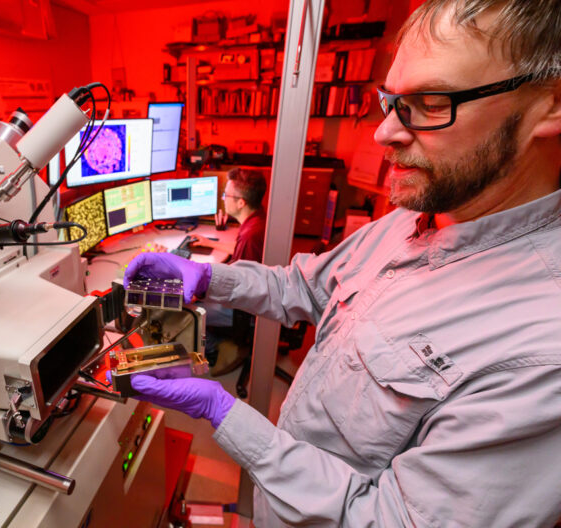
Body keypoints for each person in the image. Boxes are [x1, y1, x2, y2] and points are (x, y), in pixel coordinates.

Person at [123, 1, 561, 526]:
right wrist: (212, 277)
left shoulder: (541, 348)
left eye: (429, 101)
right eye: (392, 102)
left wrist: (225, 413)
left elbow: (389, 519)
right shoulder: (413, 219)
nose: (383, 134)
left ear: (551, 105)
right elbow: (304, 288)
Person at [192, 168, 267, 375]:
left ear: (241, 202)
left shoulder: (250, 235)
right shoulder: (256, 221)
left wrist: (200, 288)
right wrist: (209, 243)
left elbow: (237, 288)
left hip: (243, 311)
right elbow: (241, 254)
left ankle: (218, 346)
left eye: (226, 195)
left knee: (188, 307)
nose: (223, 199)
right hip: (250, 297)